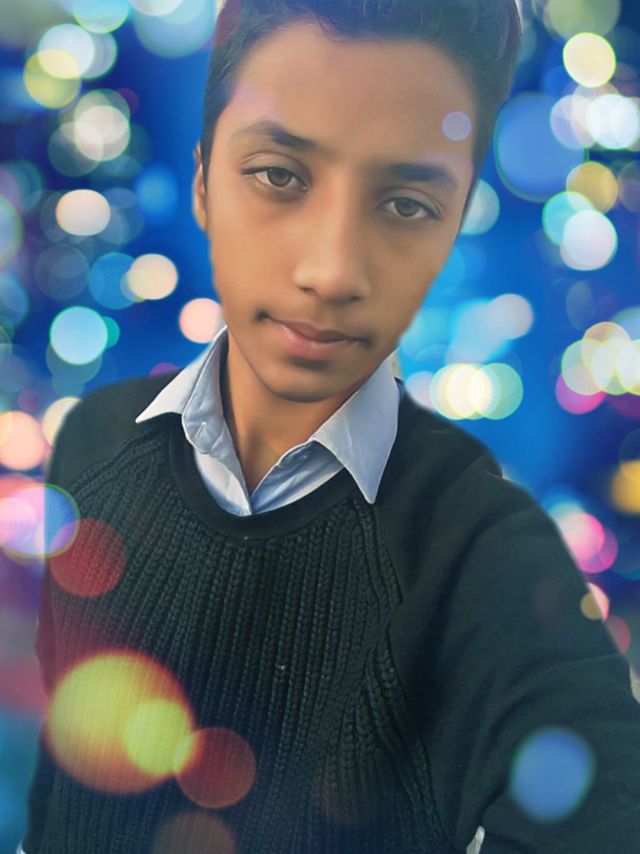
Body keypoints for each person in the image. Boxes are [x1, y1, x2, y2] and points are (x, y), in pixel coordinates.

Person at [19, 0, 640, 852]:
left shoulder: (485, 556)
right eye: (279, 175)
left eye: (407, 204)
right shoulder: (94, 442)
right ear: (202, 180)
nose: (331, 269)